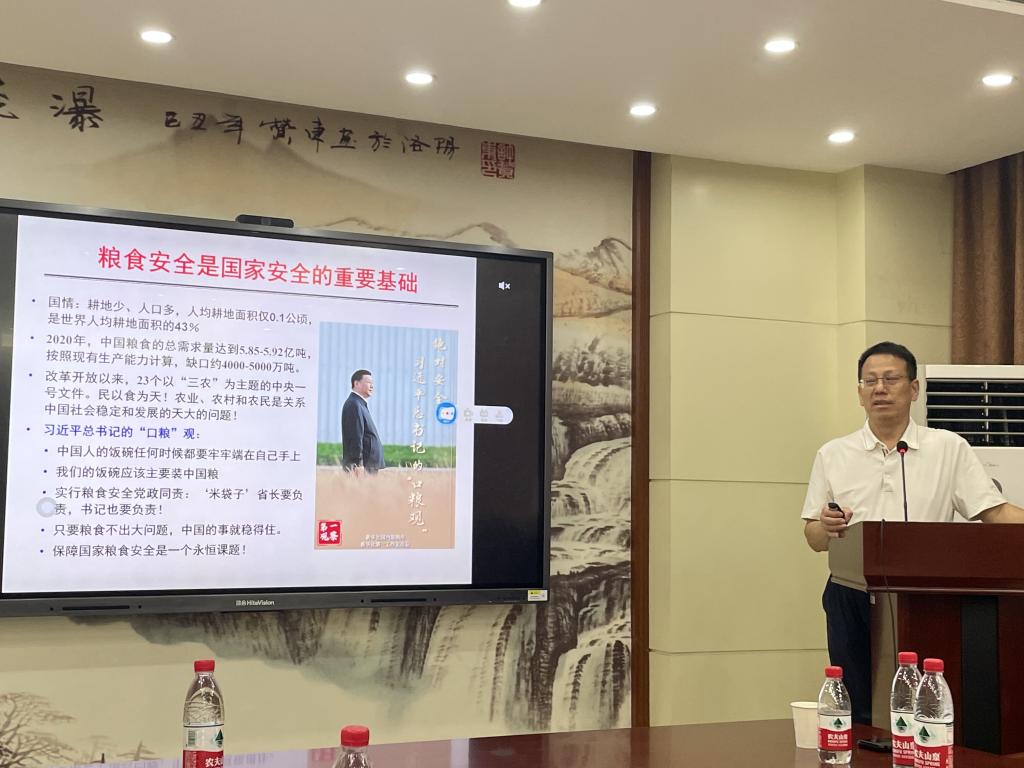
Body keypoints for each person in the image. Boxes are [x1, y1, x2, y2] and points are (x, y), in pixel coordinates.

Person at [801, 341, 1024, 724]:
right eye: (870, 381)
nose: (879, 389)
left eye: (890, 379)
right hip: (852, 594)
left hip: (927, 594)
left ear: (914, 388)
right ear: (859, 393)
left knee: (927, 701)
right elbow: (814, 538)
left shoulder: (948, 447)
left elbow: (994, 510)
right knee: (858, 704)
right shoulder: (833, 453)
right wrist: (826, 525)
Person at [341, 369, 385, 475]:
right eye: (368, 383)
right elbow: (355, 436)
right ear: (356, 383)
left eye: (372, 383)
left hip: (368, 465)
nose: (372, 386)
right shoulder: (354, 404)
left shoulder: (360, 404)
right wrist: (357, 463)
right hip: (363, 466)